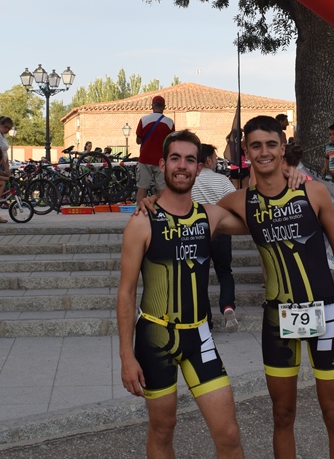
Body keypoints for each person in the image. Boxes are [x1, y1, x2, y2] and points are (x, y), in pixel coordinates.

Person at [215, 115, 334, 459]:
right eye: (256, 146)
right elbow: (190, 213)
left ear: (283, 148)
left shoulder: (312, 191)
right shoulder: (239, 202)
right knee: (282, 415)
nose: (264, 152)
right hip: (278, 318)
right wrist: (152, 202)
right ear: (246, 151)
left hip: (325, 314)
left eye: (271, 144)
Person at [117, 130, 244, 459]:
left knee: (229, 434)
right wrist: (126, 356)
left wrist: (285, 174)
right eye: (175, 158)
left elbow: (254, 215)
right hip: (155, 338)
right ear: (162, 165)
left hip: (200, 336)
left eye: (190, 160)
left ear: (199, 168)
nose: (182, 166)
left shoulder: (208, 216)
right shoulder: (142, 221)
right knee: (162, 429)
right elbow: (126, 293)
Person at [191, 143, 239, 333]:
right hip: (221, 231)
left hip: (196, 233)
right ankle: (227, 306)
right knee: (225, 272)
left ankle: (206, 321)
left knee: (199, 276)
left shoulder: (191, 181)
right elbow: (235, 203)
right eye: (215, 158)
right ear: (208, 161)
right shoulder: (222, 181)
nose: (217, 161)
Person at [135, 95, 175, 203]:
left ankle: (140, 210)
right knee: (162, 189)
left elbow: (138, 141)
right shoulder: (169, 122)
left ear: (152, 106)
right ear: (164, 107)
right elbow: (171, 142)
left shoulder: (143, 120)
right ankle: (162, 210)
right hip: (161, 160)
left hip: (145, 158)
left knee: (142, 188)